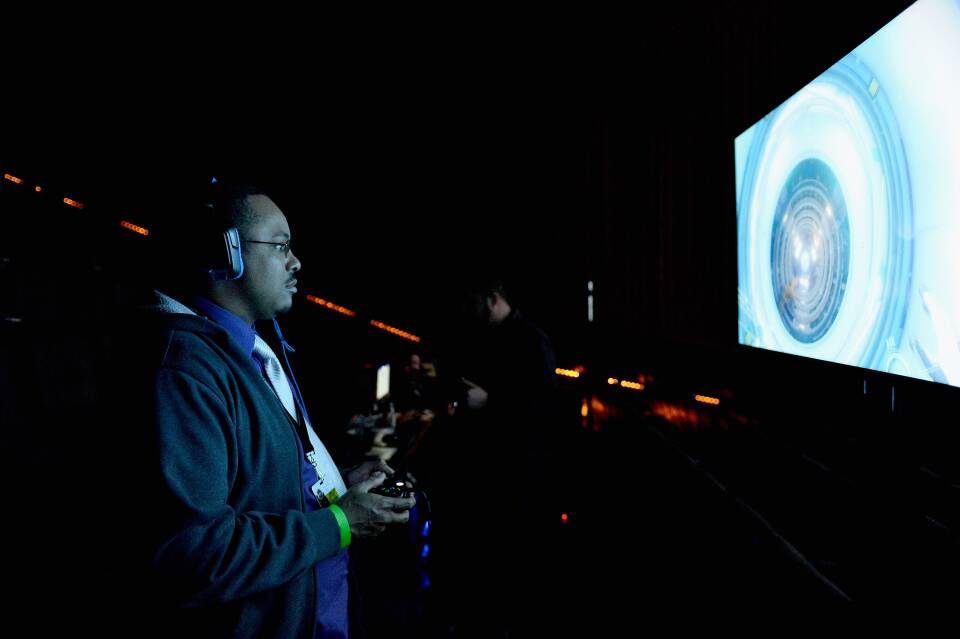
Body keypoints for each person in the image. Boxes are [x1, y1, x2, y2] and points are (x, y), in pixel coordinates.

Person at [100, 179, 416, 638]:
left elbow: (261, 488)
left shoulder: (250, 351)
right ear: (224, 252)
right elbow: (197, 554)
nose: (296, 261)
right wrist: (340, 522)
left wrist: (336, 488)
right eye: (281, 245)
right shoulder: (185, 371)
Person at [433, 276, 561, 636]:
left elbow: (545, 412)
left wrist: (490, 403)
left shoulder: (531, 341)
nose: (468, 311)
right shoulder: (494, 336)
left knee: (504, 573)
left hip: (514, 480)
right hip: (493, 475)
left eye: (473, 303)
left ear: (491, 299)